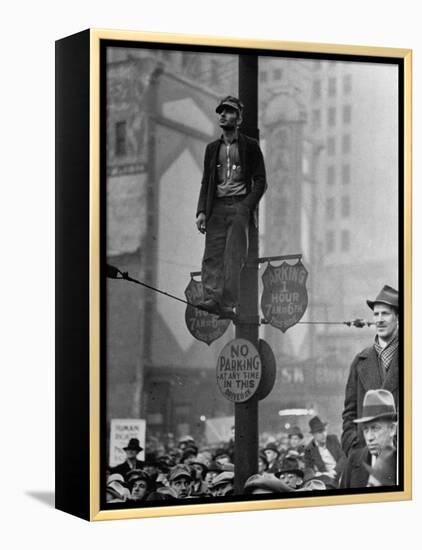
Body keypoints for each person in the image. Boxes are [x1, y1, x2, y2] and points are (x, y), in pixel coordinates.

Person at [196, 95, 267, 318]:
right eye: (221, 111)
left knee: (234, 255)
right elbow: (206, 181)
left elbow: (261, 181)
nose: (223, 115)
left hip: (239, 207)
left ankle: (227, 304)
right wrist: (201, 211)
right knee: (212, 254)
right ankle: (211, 298)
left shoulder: (250, 146)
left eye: (228, 111)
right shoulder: (212, 148)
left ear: (238, 117)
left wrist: (246, 207)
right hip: (216, 207)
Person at [342, 285, 399, 455]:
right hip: (364, 455)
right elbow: (349, 413)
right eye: (376, 314)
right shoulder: (360, 361)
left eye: (385, 314)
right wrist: (353, 447)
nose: (379, 320)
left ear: (398, 317)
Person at [340, 389, 397, 489]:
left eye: (375, 428)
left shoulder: (410, 462)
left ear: (392, 429)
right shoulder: (353, 461)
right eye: (365, 430)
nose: (369, 437)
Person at [304, 416, 346, 488]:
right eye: (320, 432)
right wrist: (318, 474)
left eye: (324, 430)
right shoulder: (309, 449)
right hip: (326, 479)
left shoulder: (333, 439)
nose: (324, 434)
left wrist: (334, 471)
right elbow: (308, 469)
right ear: (314, 435)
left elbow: (343, 457)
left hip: (341, 473)